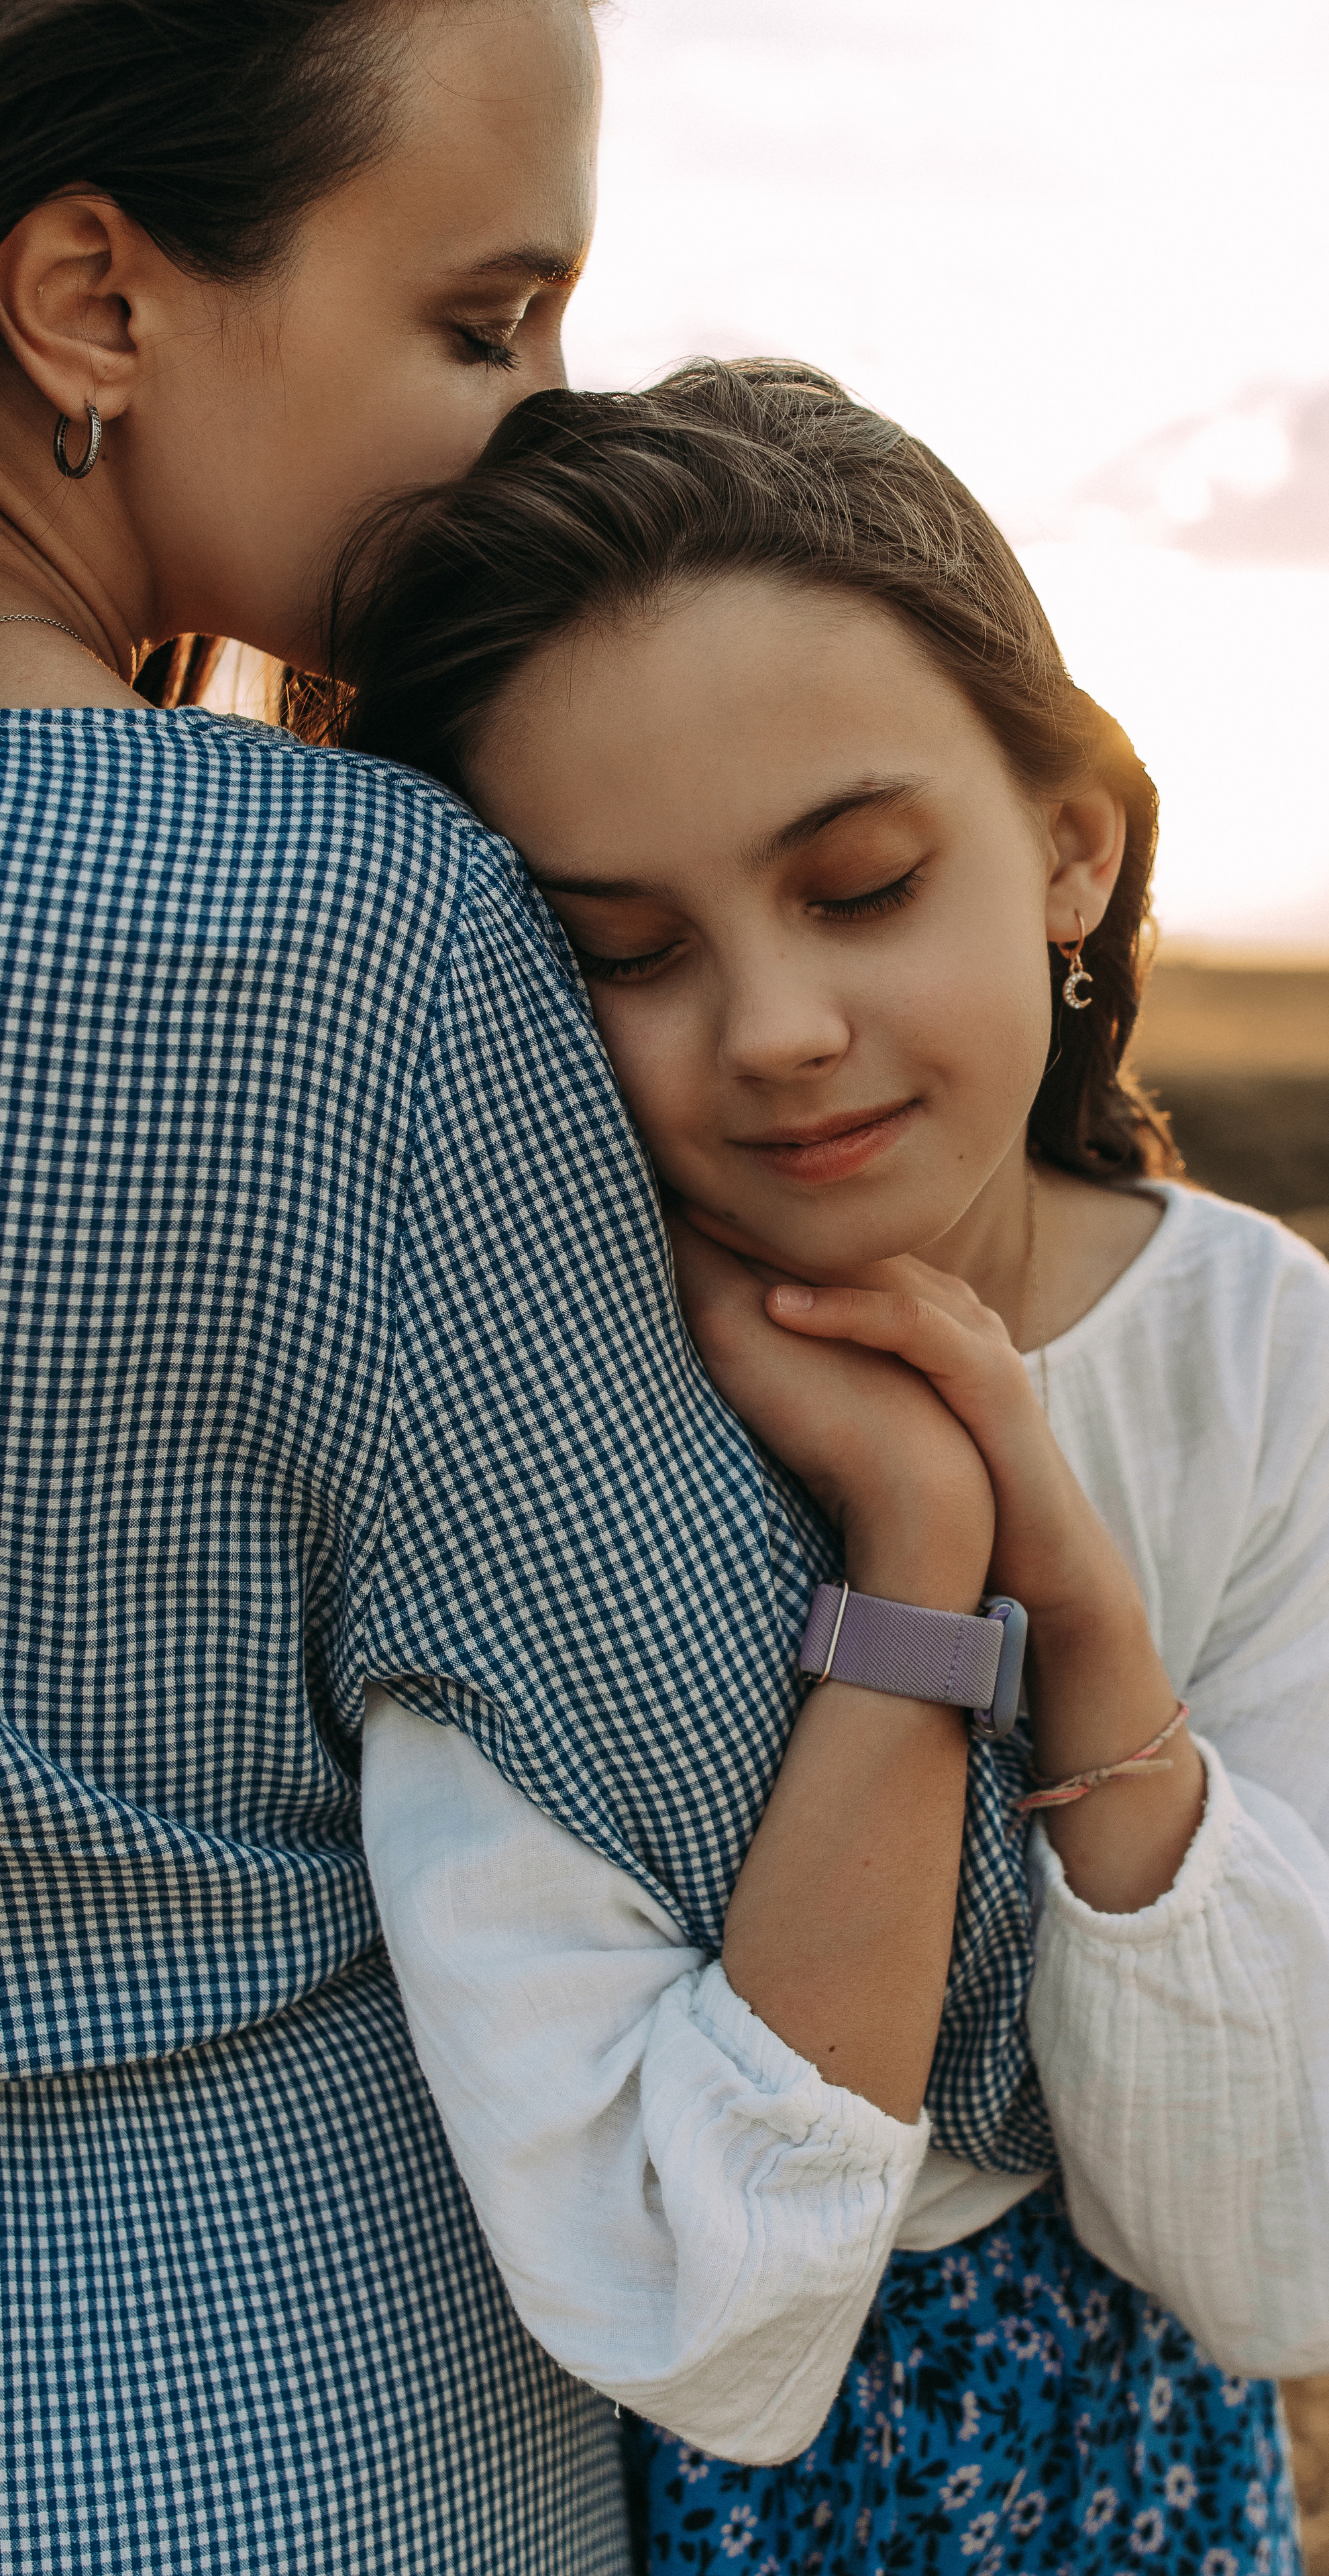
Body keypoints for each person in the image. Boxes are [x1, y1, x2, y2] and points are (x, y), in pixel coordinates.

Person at [328, 362, 1329, 2575]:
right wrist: (917, 1553)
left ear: (1071, 844)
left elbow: (1300, 2249)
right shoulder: (499, 1412)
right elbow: (711, 2313)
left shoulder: (1243, 1338)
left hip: (1149, 2481)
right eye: (623, 953)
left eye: (862, 885)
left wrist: (1082, 1612)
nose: (775, 1024)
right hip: (629, 2500)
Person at [1, 16, 904, 2572]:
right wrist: (947, 1574)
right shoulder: (330, 934)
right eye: (484, 324)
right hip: (239, 2442)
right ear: (92, 298)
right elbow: (783, 1889)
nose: (531, 427)